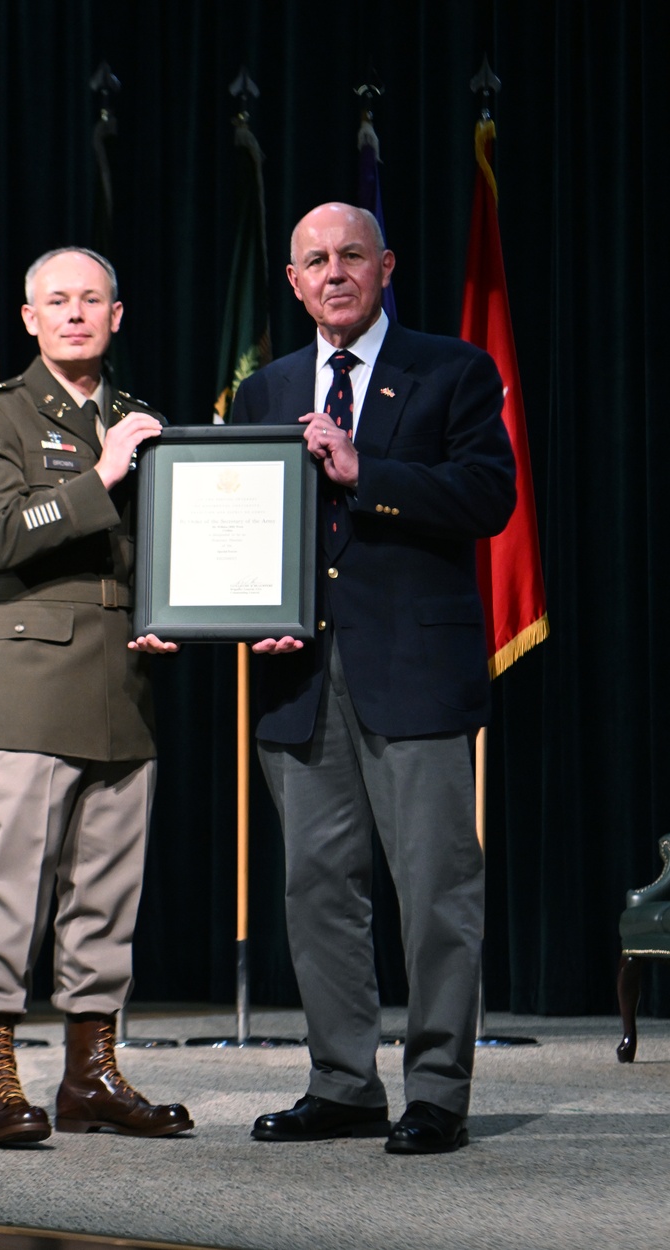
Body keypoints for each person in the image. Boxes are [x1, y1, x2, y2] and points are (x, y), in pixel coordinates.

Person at [231, 203, 516, 1154]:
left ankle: (436, 1092)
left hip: (415, 672)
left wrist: (370, 469)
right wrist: (246, 615)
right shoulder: (263, 390)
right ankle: (342, 1084)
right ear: (293, 280)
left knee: (436, 888)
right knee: (316, 891)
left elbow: (489, 496)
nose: (334, 271)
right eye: (314, 259)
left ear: (386, 265)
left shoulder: (453, 369)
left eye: (352, 254)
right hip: (298, 678)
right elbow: (246, 527)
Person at [0, 246, 192, 1145]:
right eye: (58, 300)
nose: (77, 313)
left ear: (117, 316)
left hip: (123, 679)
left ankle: (90, 1076)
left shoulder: (139, 418)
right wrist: (101, 478)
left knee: (107, 891)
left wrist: (180, 612)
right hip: (29, 681)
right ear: (29, 319)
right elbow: (3, 536)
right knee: (13, 888)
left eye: (93, 299)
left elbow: (169, 552)